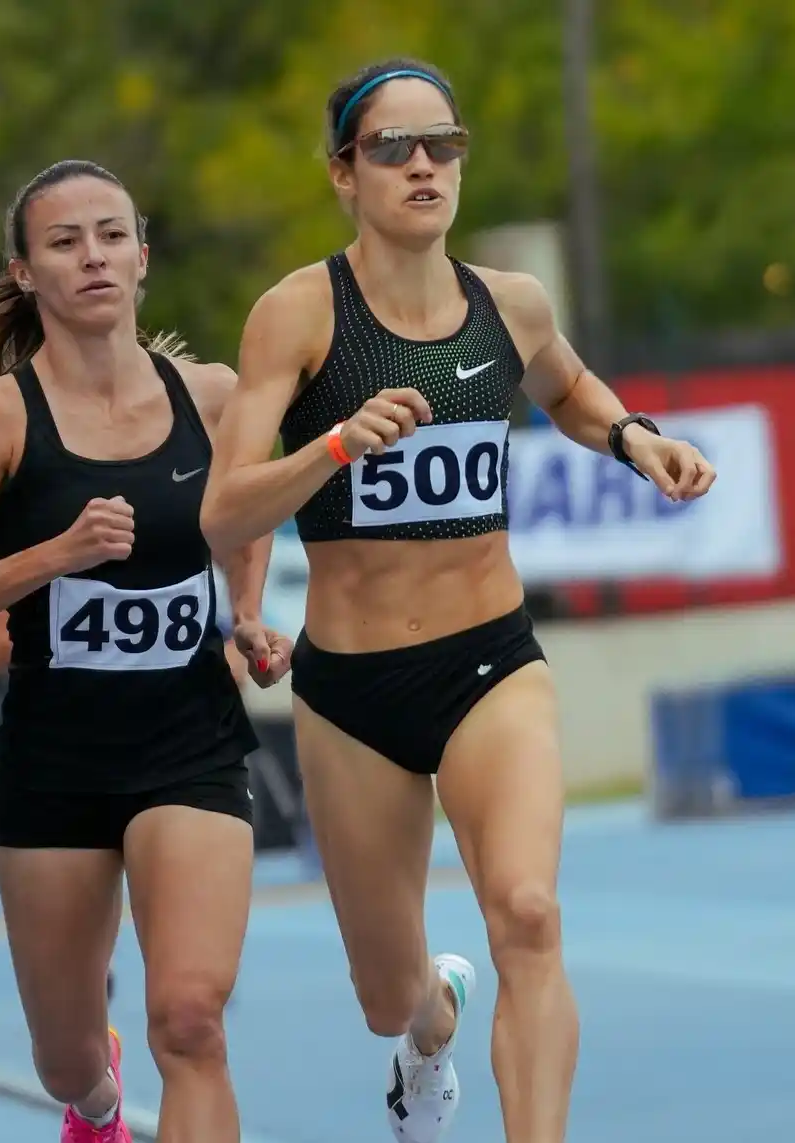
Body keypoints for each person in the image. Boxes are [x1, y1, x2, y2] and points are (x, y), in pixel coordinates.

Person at [200, 59, 716, 1143]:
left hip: (492, 663)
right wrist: (336, 445)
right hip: (352, 694)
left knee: (529, 915)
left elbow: (568, 389)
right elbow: (224, 512)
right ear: (346, 173)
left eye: (443, 143)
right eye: (393, 148)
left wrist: (636, 439)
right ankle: (428, 1038)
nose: (423, 165)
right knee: (387, 995)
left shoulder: (510, 305)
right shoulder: (299, 315)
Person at [0, 158, 292, 1143]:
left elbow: (248, 515)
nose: (93, 258)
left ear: (144, 256)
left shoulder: (209, 395)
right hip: (54, 764)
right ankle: (99, 1105)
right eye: (65, 243)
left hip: (189, 744)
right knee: (64, 1058)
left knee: (192, 1020)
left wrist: (244, 612)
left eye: (111, 235)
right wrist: (56, 554)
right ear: (26, 272)